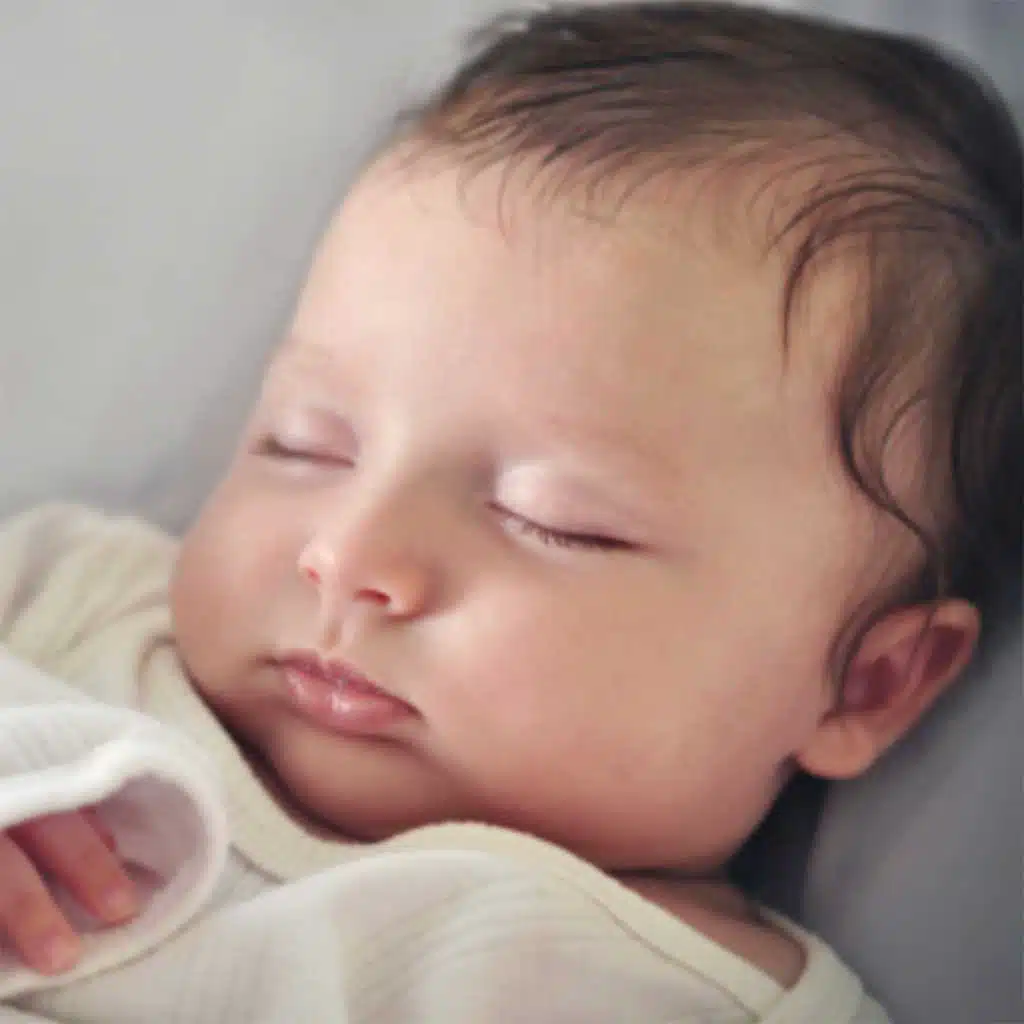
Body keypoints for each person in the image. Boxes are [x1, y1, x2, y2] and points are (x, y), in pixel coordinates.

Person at [0, 2, 1020, 1020]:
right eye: (303, 445)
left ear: (867, 684)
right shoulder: (69, 600)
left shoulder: (662, 995)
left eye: (553, 520)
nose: (350, 555)